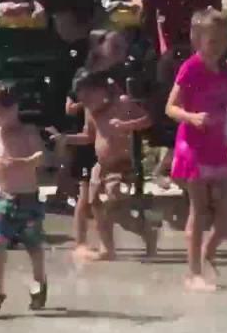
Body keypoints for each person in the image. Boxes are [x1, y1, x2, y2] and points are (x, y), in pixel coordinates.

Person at [166, 8, 227, 291]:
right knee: (198, 210)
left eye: (223, 40)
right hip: (193, 145)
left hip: (220, 143)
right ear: (197, 39)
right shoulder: (191, 67)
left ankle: (209, 250)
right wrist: (192, 117)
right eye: (213, 41)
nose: (219, 46)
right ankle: (193, 273)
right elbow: (170, 107)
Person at [56, 69, 156, 261]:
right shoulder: (90, 110)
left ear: (103, 90)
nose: (86, 102)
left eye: (89, 96)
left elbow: (148, 120)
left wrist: (127, 125)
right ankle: (108, 248)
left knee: (115, 207)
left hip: (121, 164)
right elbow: (89, 137)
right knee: (95, 204)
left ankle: (147, 232)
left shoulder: (122, 103)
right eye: (82, 99)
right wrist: (66, 138)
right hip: (100, 166)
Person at [143, 0, 221, 182]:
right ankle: (184, 159)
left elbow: (147, 17)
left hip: (175, 50)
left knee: (171, 105)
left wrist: (159, 50)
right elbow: (216, 16)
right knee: (198, 105)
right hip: (199, 50)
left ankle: (171, 154)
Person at [62, 29, 133, 253]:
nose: (118, 52)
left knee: (101, 199)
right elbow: (70, 107)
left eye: (120, 48)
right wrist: (92, 104)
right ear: (99, 48)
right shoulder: (85, 74)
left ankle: (106, 242)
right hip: (88, 133)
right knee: (85, 194)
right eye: (113, 47)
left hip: (107, 137)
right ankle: (81, 241)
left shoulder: (116, 76)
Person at [0, 81, 47, 313]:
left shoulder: (27, 132)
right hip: (3, 199)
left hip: (28, 200)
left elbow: (41, 155)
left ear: (14, 108)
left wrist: (28, 162)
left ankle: (39, 282)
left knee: (33, 246)